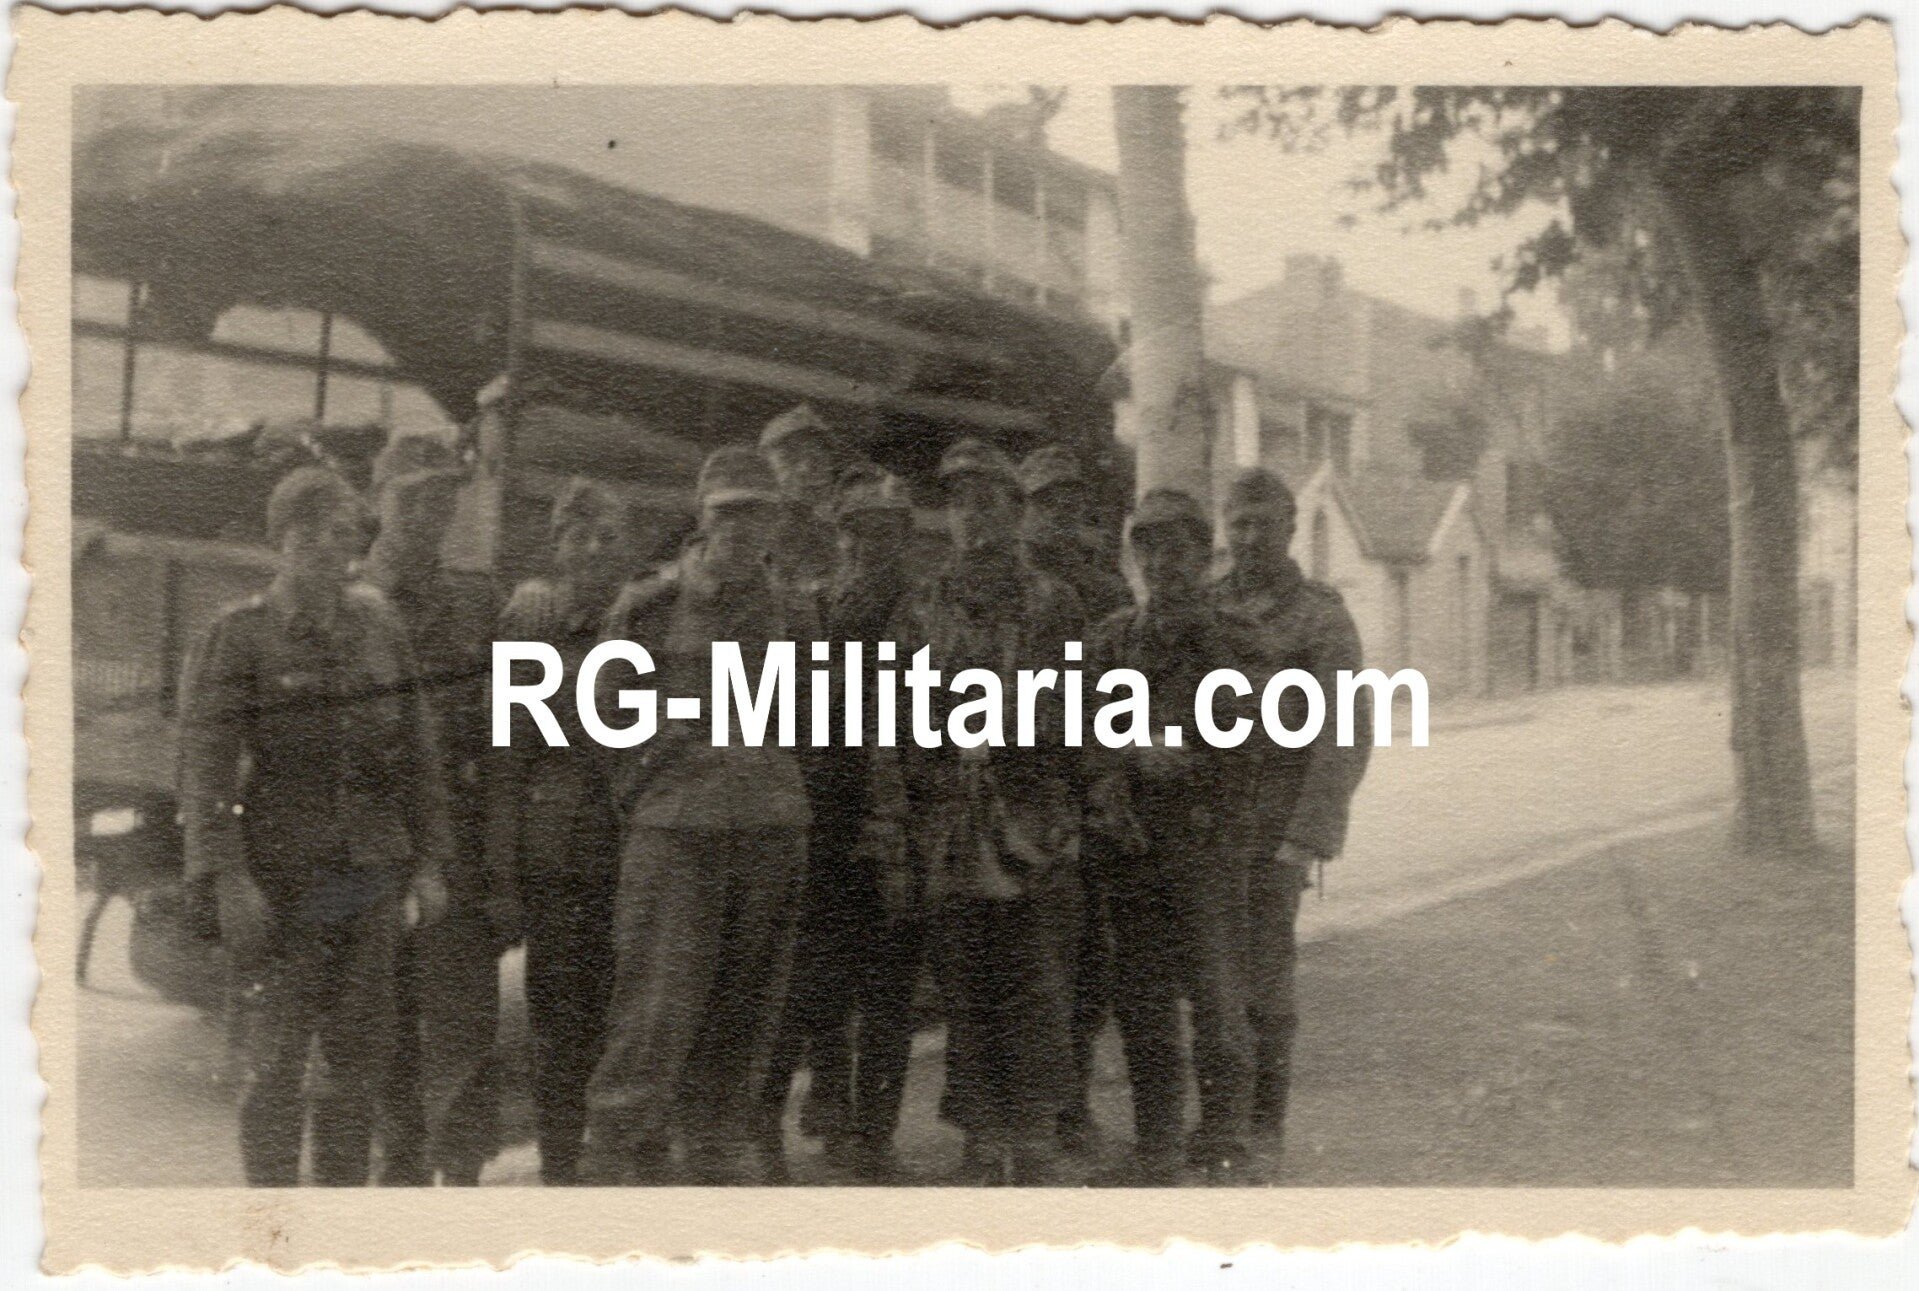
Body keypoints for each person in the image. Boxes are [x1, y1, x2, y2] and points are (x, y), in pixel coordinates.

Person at [178, 466, 451, 1187]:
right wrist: (230, 879)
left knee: (356, 1064)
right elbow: (205, 771)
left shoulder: (379, 627)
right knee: (275, 1063)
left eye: (347, 533)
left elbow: (420, 755)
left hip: (369, 879)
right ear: (286, 540)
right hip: (282, 881)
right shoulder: (240, 636)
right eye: (321, 533)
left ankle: (335, 1233)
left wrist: (427, 864)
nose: (337, 547)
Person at [583, 446, 817, 1185]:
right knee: (655, 1004)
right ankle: (617, 1153)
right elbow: (601, 711)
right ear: (702, 517)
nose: (741, 529)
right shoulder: (650, 605)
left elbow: (811, 717)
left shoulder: (795, 609)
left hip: (769, 826)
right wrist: (655, 775)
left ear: (775, 520)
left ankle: (714, 1149)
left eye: (756, 512)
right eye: (727, 514)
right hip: (677, 830)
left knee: (746, 1004)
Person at [883, 437, 1085, 1185]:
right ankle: (978, 1132)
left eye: (987, 502)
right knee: (964, 982)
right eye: (959, 502)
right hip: (948, 819)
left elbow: (1077, 709)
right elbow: (898, 715)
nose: (972, 517)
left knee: (1033, 978)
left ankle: (1031, 1130)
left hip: (1032, 815)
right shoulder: (924, 603)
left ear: (1014, 510)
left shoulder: (1050, 601)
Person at [1087, 489, 1269, 1183]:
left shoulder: (1236, 637)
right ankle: (1157, 1141)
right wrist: (1133, 753)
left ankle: (1223, 1137)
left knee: (1218, 993)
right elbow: (1083, 724)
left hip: (1207, 841)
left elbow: (1257, 726)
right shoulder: (1110, 638)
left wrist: (1183, 744)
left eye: (1176, 548)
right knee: (1140, 996)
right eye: (1147, 547)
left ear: (1200, 555)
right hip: (1131, 844)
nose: (1160, 561)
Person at [760, 463, 920, 1179]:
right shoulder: (810, 607)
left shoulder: (926, 611)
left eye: (883, 531)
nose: (867, 544)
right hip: (823, 812)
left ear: (902, 538)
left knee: (887, 988)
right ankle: (767, 1124)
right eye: (855, 530)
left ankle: (873, 1135)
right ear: (839, 535)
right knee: (806, 979)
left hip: (901, 815)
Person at [358, 434, 506, 1187]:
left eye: (442, 496)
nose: (428, 510)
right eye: (412, 494)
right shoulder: (349, 600)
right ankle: (400, 1164)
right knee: (380, 1009)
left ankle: (461, 1173)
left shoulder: (478, 602)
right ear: (377, 498)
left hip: (460, 834)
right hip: (376, 837)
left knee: (464, 1017)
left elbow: (503, 729)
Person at [1211, 467, 1369, 1154]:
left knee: (1265, 982)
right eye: (1237, 523)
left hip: (1275, 825)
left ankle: (1263, 1125)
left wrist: (1306, 835)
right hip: (1206, 823)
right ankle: (1219, 1121)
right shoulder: (1203, 607)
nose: (1248, 537)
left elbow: (1342, 734)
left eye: (1262, 523)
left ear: (1289, 527)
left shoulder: (1320, 616)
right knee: (1211, 980)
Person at [485, 478, 637, 1185]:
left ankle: (620, 1155)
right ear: (557, 547)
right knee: (560, 1024)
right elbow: (509, 755)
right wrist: (504, 875)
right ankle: (561, 1162)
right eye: (580, 536)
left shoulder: (647, 619)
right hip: (563, 855)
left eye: (608, 536)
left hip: (640, 852)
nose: (595, 550)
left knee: (633, 1015)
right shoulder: (533, 622)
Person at [1017, 444, 1131, 1154]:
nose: (1057, 516)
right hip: (1026, 792)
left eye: (1068, 503)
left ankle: (1071, 1102)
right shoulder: (1006, 583)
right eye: (1044, 503)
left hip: (1093, 790)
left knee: (1091, 960)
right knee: (1026, 958)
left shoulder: (1105, 588)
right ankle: (1025, 1108)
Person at [760, 403, 845, 600]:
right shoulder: (745, 529)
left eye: (817, 459)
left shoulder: (837, 538)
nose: (805, 469)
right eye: (790, 457)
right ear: (763, 467)